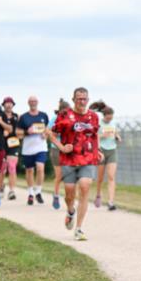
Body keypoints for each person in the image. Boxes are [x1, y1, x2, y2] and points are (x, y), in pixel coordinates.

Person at [49, 87, 101, 241]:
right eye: (79, 98)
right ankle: (70, 211)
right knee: (70, 194)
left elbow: (94, 135)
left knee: (85, 187)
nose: (82, 101)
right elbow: (50, 133)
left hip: (87, 159)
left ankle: (79, 228)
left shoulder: (93, 117)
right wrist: (61, 147)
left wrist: (97, 151)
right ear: (73, 99)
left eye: (85, 98)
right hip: (69, 159)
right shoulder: (64, 115)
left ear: (88, 100)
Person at [18, 96, 51, 206]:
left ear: (37, 102)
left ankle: (38, 191)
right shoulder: (23, 117)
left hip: (41, 147)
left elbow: (48, 130)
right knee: (29, 171)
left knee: (40, 168)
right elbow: (18, 133)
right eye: (31, 101)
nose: (33, 103)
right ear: (28, 103)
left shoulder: (43, 115)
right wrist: (27, 132)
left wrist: (45, 134)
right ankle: (31, 193)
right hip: (28, 148)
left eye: (35, 101)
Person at [93, 105, 121, 210]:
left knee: (111, 176)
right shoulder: (99, 124)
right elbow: (94, 137)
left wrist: (117, 137)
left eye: (111, 118)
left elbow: (116, 134)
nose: (110, 120)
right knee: (100, 178)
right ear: (104, 116)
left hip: (112, 150)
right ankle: (98, 195)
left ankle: (111, 202)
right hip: (101, 151)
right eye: (108, 118)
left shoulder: (113, 123)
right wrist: (102, 136)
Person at [49, 99, 71, 210]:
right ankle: (56, 195)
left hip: (68, 150)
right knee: (59, 175)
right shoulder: (54, 119)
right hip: (56, 150)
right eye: (65, 111)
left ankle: (69, 197)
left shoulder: (71, 119)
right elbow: (50, 134)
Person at [1, 97, 21, 200]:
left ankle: (11, 191)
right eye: (6, 103)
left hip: (13, 145)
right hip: (1, 145)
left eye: (10, 103)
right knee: (2, 169)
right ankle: (1, 186)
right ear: (3, 105)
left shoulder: (17, 117)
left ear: (13, 105)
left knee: (12, 167)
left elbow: (21, 131)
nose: (8, 105)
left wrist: (20, 134)